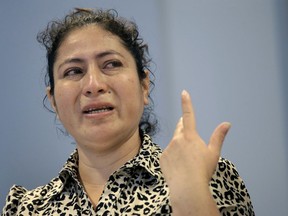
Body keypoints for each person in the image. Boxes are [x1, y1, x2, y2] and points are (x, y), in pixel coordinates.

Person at [2, 8, 254, 215]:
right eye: (73, 71)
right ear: (54, 102)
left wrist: (193, 196)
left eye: (111, 64)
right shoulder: (26, 208)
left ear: (145, 86)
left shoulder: (205, 176)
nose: (93, 85)